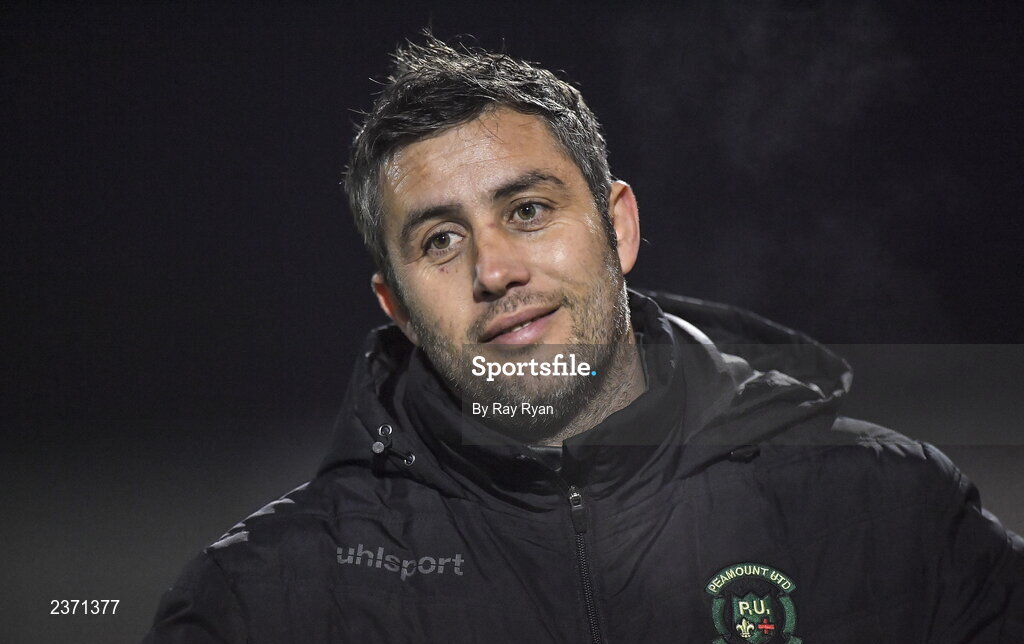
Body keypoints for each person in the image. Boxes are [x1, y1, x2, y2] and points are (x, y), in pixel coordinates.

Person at [145, 34, 1024, 643]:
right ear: (398, 308)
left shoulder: (891, 515)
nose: (494, 270)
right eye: (440, 241)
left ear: (619, 226)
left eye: (528, 211)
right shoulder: (265, 600)